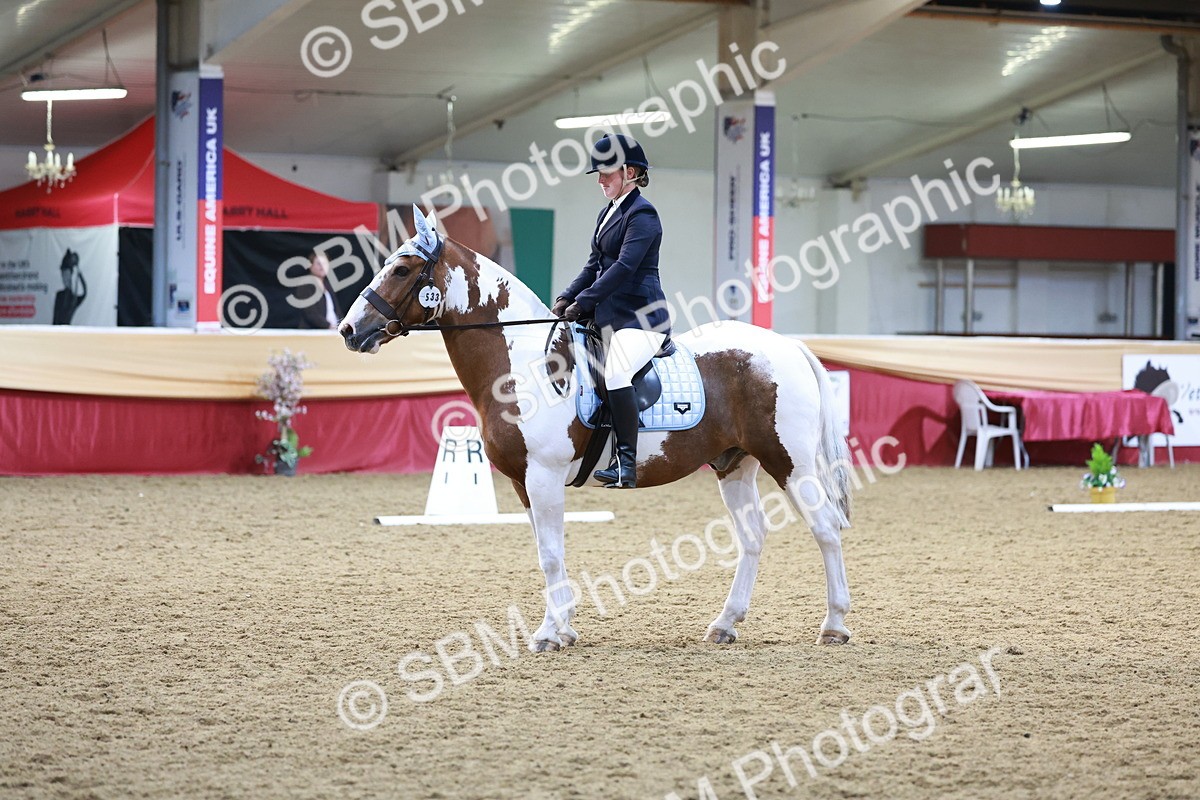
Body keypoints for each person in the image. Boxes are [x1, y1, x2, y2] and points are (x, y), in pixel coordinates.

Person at [552, 134, 671, 489]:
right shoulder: (607, 213)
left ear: (630, 172)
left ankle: (626, 463)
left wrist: (584, 302)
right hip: (608, 318)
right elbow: (594, 265)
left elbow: (623, 267)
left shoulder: (643, 214)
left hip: (641, 319)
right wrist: (566, 298)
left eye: (607, 173)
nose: (600, 180)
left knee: (616, 373)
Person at [298, 249, 341, 330]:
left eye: (325, 263)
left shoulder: (328, 285)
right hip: (314, 332)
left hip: (333, 332)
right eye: (318, 264)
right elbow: (310, 313)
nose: (322, 267)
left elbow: (337, 310)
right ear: (311, 266)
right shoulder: (306, 286)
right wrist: (328, 326)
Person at [52, 249, 87, 325]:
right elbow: (55, 318)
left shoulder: (74, 298)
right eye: (63, 275)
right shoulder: (59, 295)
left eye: (67, 275)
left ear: (71, 276)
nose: (65, 278)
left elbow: (84, 293)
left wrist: (79, 274)